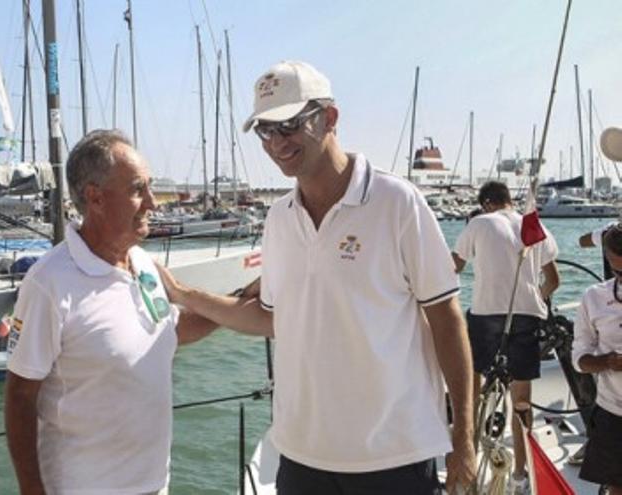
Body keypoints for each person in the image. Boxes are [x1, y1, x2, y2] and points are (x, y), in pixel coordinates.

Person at [157, 61, 476, 494]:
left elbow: (446, 320)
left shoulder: (397, 203)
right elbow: (270, 317)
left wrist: (464, 439)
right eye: (265, 130)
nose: (277, 142)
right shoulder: (278, 218)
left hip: (394, 454)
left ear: (329, 118)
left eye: (289, 124)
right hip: (300, 457)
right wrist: (183, 294)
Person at [4, 130, 217, 495]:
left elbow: (172, 330)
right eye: (138, 190)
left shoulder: (143, 263)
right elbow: (20, 397)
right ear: (95, 197)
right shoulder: (49, 282)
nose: (152, 202)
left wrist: (247, 301)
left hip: (154, 486)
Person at [451, 180, 560, 493]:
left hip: (485, 318)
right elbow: (554, 280)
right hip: (526, 319)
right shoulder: (534, 226)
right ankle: (521, 477)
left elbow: (453, 268)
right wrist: (533, 300)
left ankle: (467, 469)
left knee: (471, 394)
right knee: (522, 402)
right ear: (509, 200)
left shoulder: (480, 223)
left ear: (486, 203)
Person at [573, 224, 622, 495]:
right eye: (619, 272)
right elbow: (579, 358)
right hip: (613, 411)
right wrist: (607, 362)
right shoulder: (594, 297)